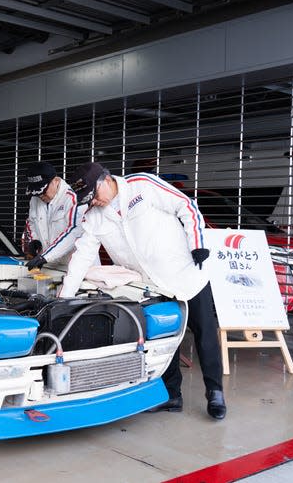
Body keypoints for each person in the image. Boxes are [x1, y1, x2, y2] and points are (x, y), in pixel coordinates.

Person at [59, 162, 226, 420]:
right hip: (152, 285)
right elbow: (82, 256)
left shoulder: (142, 186)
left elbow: (186, 205)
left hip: (186, 275)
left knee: (205, 334)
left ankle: (215, 392)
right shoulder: (94, 216)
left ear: (105, 181)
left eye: (93, 196)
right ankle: (172, 395)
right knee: (163, 338)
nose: (93, 203)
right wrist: (65, 298)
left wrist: (197, 244)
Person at [22, 161, 85, 271]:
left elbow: (74, 232)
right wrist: (34, 241)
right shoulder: (35, 199)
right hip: (48, 265)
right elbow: (31, 222)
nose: (40, 195)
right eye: (36, 192)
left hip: (75, 267)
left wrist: (46, 256)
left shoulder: (73, 198)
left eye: (43, 190)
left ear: (56, 181)